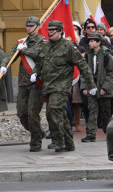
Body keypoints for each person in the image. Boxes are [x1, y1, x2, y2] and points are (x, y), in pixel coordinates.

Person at [30, 20, 95, 153]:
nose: (50, 32)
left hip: (62, 86)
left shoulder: (68, 46)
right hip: (48, 85)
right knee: (58, 114)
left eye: (53, 30)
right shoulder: (46, 46)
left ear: (60, 31)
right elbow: (39, 62)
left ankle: (58, 141)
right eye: (49, 30)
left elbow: (83, 66)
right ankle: (69, 144)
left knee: (53, 109)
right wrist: (35, 72)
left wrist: (91, 85)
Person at [8, 16, 47, 152]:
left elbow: (38, 55)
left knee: (32, 113)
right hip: (23, 83)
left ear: (38, 26)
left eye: (31, 26)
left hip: (37, 83)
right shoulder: (22, 42)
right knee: (21, 113)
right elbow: (11, 56)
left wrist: (23, 50)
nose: (28, 28)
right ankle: (39, 132)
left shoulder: (43, 41)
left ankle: (35, 142)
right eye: (27, 25)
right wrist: (3, 65)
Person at [81, 33, 113, 142]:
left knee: (106, 112)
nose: (90, 42)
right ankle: (91, 133)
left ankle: (108, 132)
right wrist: (84, 87)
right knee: (92, 110)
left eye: (92, 41)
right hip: (91, 85)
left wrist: (105, 88)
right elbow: (84, 72)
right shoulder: (87, 55)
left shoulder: (106, 55)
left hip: (104, 85)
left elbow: (111, 73)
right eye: (89, 41)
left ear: (98, 42)